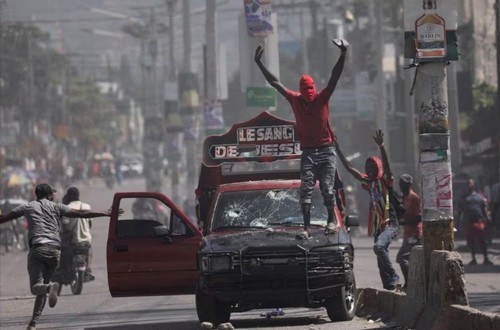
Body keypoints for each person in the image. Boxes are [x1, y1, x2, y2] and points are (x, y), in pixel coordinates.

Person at [254, 38, 348, 239]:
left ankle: (331, 221)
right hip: (308, 151)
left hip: (326, 150)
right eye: (306, 93)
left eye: (311, 91)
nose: (309, 96)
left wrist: (343, 54)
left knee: (327, 189)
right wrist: (259, 64)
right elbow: (275, 83)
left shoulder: (322, 98)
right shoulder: (295, 99)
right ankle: (306, 228)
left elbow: (334, 76)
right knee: (305, 190)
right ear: (301, 91)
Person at [0, 183, 119, 330]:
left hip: (38, 250)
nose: (54, 196)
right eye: (52, 194)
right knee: (43, 288)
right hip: (55, 251)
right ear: (49, 195)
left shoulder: (27, 207)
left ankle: (50, 287)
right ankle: (33, 323)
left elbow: (5, 217)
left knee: (36, 287)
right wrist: (105, 213)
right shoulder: (57, 207)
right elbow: (81, 214)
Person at [336, 130, 401, 290]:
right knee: (380, 257)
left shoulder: (385, 180)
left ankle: (393, 275)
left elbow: (387, 166)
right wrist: (337, 148)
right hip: (379, 227)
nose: (370, 169)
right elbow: (350, 168)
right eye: (368, 167)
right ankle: (389, 286)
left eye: (373, 166)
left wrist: (382, 147)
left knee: (379, 248)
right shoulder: (369, 182)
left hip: (390, 223)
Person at [60, 187, 95, 280]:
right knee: (89, 251)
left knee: (63, 255)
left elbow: (64, 225)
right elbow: (90, 223)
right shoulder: (87, 206)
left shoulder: (66, 208)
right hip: (86, 240)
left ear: (68, 196)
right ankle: (88, 268)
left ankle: (64, 272)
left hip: (73, 241)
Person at [395, 174, 422, 290]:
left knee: (402, 258)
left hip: (415, 234)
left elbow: (419, 217)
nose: (401, 187)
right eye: (400, 184)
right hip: (407, 234)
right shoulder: (404, 198)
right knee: (405, 258)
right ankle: (412, 282)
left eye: (404, 184)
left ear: (409, 185)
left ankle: (410, 283)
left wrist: (404, 222)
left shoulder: (414, 198)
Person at [457, 178, 493, 265]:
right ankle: (473, 259)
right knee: (471, 241)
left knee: (482, 240)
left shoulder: (479, 196)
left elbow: (484, 208)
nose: (469, 185)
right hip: (469, 222)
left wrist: (487, 217)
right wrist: (458, 221)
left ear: (473, 185)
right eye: (468, 184)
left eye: (471, 183)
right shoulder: (463, 198)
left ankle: (486, 258)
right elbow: (459, 210)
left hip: (479, 221)